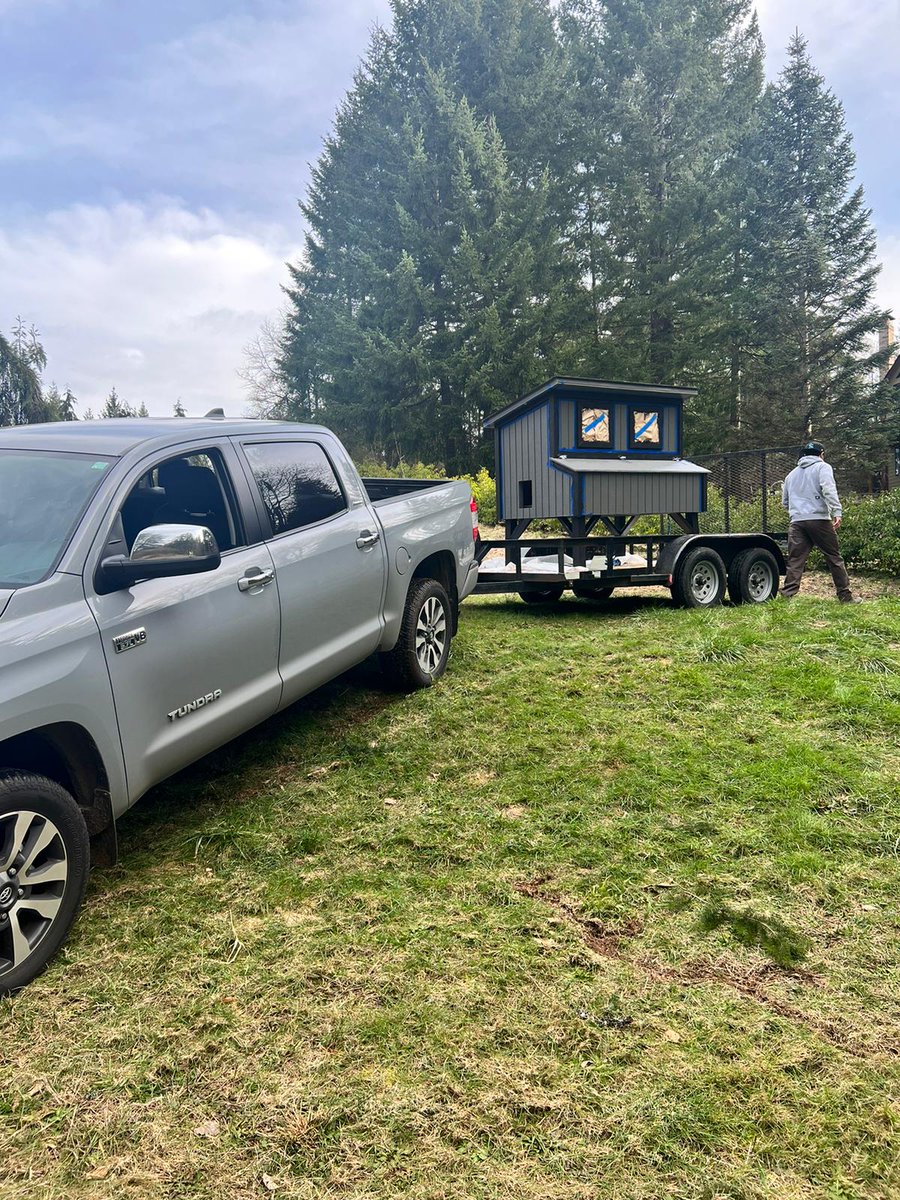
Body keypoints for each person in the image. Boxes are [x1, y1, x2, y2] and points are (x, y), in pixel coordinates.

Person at [780, 441, 857, 602]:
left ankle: (787, 595)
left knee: (795, 559)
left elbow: (785, 502)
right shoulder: (823, 467)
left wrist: (798, 512)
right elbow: (828, 489)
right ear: (821, 454)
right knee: (833, 557)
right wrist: (837, 511)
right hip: (819, 519)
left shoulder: (791, 475)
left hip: (797, 522)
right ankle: (845, 596)